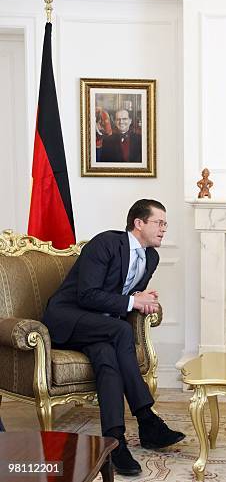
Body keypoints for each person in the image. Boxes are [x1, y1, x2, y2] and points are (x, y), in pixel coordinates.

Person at [42, 199, 184, 476]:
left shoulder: (151, 257)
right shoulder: (106, 243)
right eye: (159, 222)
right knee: (121, 330)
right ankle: (146, 419)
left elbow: (121, 294)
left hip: (101, 327)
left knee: (107, 359)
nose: (164, 229)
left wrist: (137, 298)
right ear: (138, 223)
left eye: (166, 223)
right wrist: (133, 303)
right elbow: (87, 294)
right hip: (67, 318)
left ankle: (114, 442)